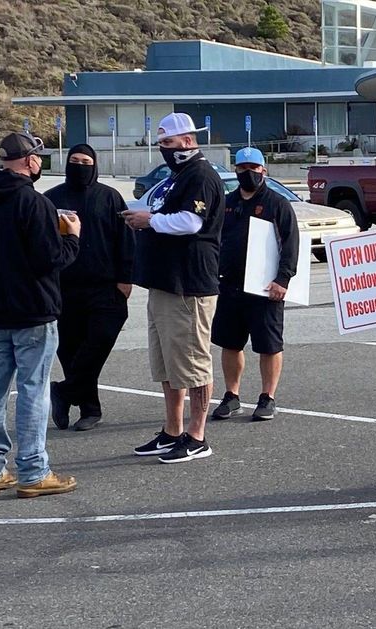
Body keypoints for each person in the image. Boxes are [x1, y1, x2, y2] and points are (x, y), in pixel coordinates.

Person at [0, 132, 80, 498]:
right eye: (38, 158)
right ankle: (32, 470)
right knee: (33, 388)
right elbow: (50, 259)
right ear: (29, 162)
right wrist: (72, 237)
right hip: (32, 312)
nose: (40, 164)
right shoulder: (33, 202)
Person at [123, 113, 225, 463]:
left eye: (167, 143)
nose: (163, 150)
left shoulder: (200, 175)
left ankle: (197, 435)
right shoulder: (178, 176)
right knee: (168, 364)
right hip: (165, 282)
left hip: (189, 285)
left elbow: (190, 221)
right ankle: (172, 430)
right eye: (160, 143)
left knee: (193, 363)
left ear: (186, 141)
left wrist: (149, 220)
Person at [45, 144, 134, 431]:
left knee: (99, 341)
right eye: (74, 160)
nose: (80, 165)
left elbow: (126, 240)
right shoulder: (51, 199)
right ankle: (89, 409)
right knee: (71, 350)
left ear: (94, 165)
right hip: (63, 287)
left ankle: (63, 392)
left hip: (105, 287)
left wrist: (126, 277)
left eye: (86, 161)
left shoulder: (109, 197)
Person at [210, 147, 298, 422]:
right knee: (230, 343)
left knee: (269, 345)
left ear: (264, 170)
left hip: (265, 289)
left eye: (253, 167)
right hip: (230, 286)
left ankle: (267, 397)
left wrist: (283, 279)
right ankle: (231, 395)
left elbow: (291, 244)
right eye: (242, 167)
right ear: (235, 171)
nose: (248, 172)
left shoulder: (277, 204)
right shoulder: (226, 203)